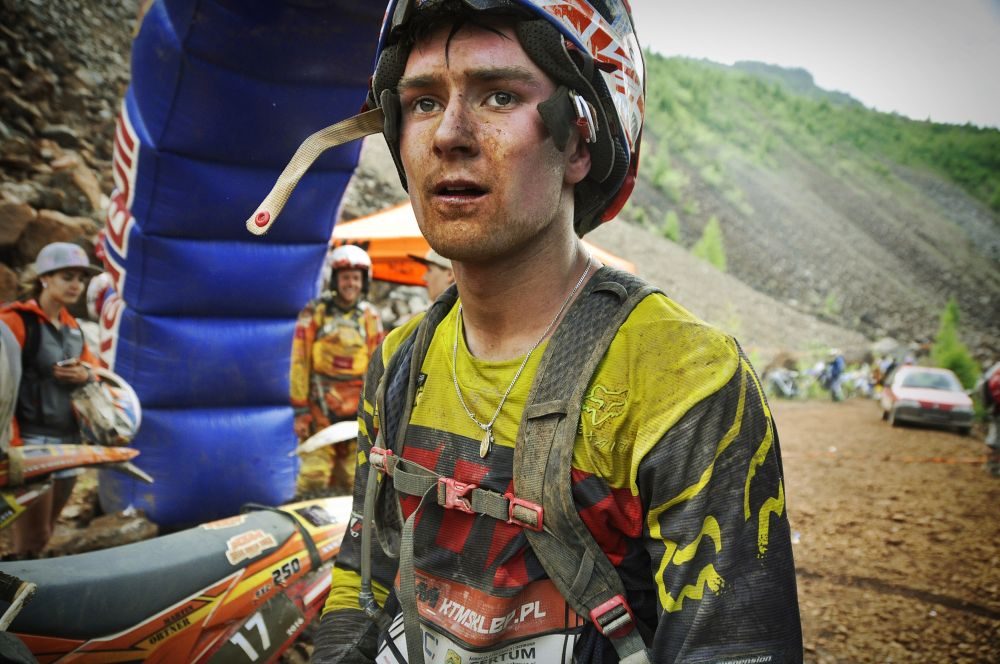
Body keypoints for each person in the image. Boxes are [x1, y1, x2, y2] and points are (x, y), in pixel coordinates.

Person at [305, 2, 802, 662]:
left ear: (578, 143)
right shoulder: (400, 361)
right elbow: (363, 582)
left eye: (499, 95)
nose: (448, 135)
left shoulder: (682, 381)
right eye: (423, 102)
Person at [0, 242, 101, 555]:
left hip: (69, 441)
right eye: (67, 277)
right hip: (30, 444)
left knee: (44, 536)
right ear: (44, 278)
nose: (76, 285)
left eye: (81, 278)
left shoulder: (73, 328)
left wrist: (85, 374)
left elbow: (96, 373)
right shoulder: (15, 321)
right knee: (33, 538)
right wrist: (11, 444)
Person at [290, 244, 383, 495]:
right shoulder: (315, 312)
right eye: (345, 277)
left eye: (355, 278)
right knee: (314, 476)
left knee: (354, 479)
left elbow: (379, 365)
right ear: (334, 279)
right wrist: (301, 410)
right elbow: (300, 361)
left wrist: (376, 412)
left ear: (364, 281)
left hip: (357, 414)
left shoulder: (370, 317)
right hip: (319, 411)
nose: (350, 283)